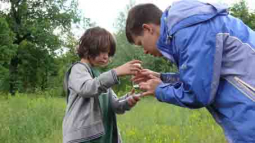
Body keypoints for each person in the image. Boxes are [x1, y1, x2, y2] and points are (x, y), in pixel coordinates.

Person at [125, 1, 255, 142]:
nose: (144, 51)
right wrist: (162, 78)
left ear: (148, 29)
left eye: (140, 43)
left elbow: (198, 94)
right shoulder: (187, 26)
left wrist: (159, 90)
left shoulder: (190, 31)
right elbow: (203, 78)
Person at [62, 27, 142, 143]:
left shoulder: (100, 76)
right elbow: (87, 88)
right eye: (103, 51)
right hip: (83, 138)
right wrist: (116, 72)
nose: (106, 57)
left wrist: (128, 101)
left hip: (104, 137)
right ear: (89, 47)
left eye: (109, 53)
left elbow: (114, 105)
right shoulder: (78, 69)